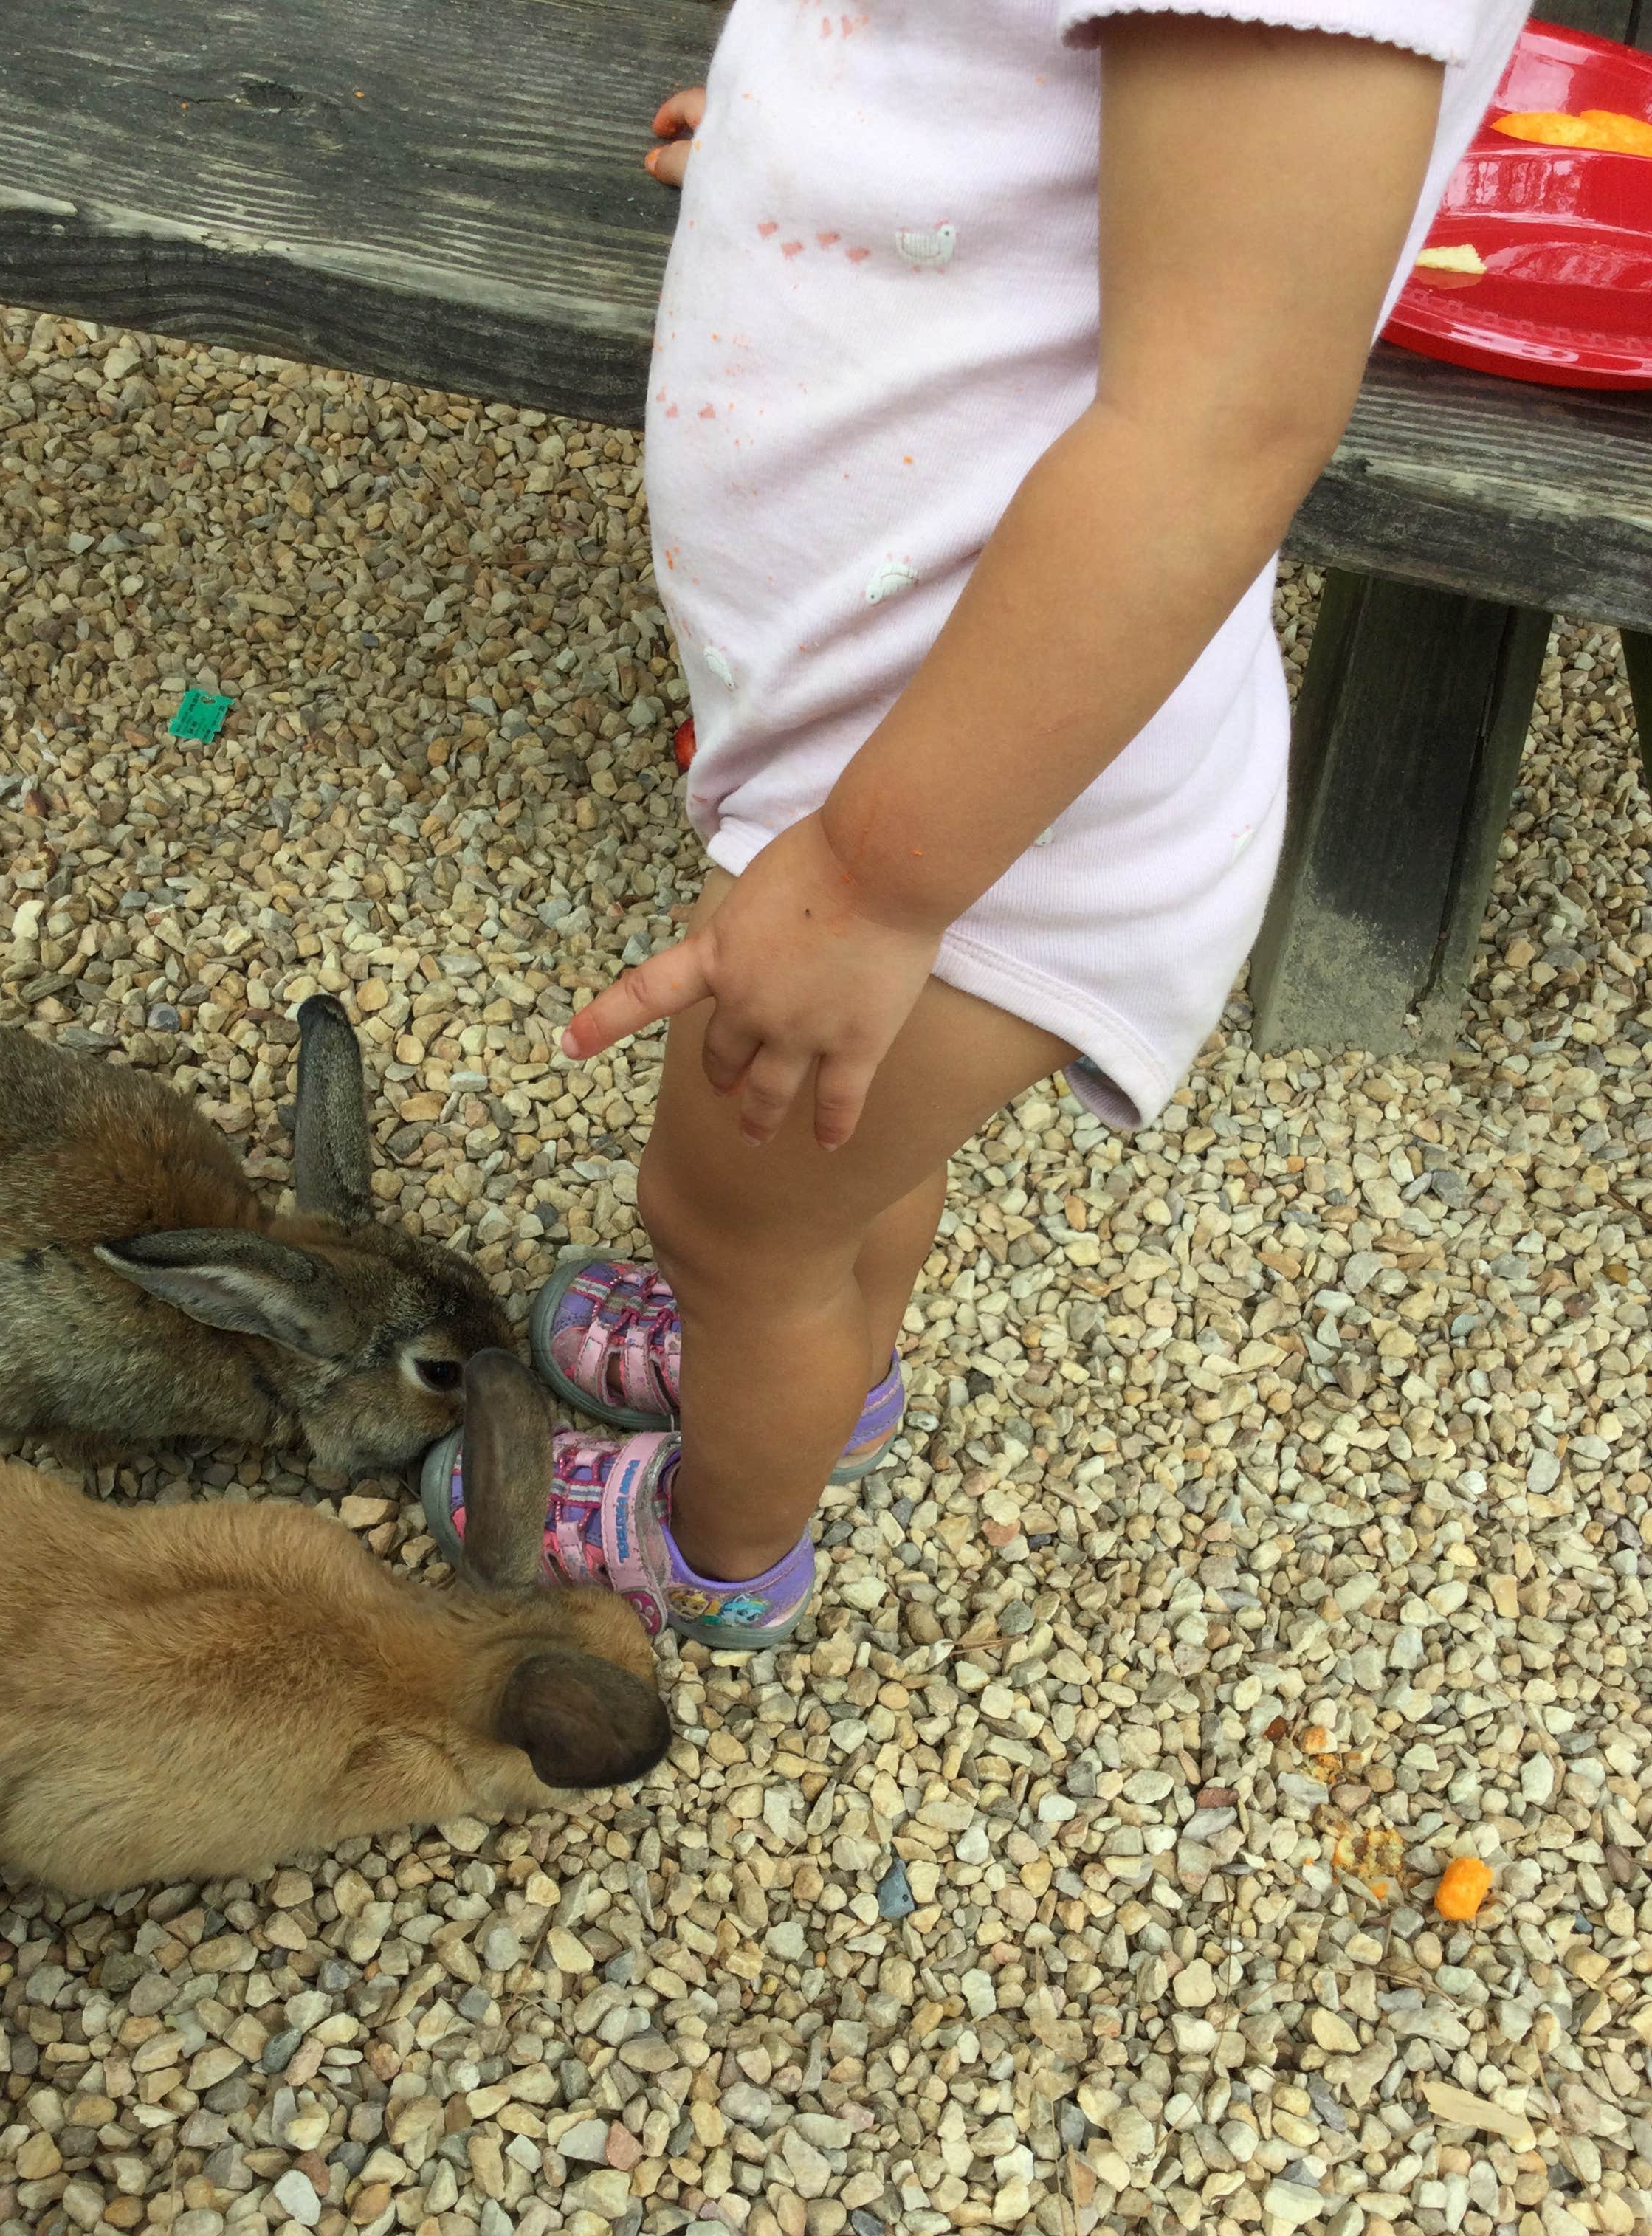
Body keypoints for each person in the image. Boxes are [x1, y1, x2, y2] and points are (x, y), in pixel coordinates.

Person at [430, 0, 1532, 1648]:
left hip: (988, 792)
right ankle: (819, 1353)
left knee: (723, 1212)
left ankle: (720, 1544)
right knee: (832, 1167)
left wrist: (872, 884)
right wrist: (845, 152)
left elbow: (1219, 423)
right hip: (931, 760)